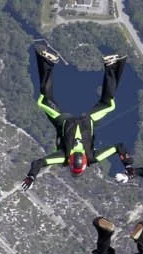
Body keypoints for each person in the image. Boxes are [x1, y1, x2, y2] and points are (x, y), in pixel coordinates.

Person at [23, 43, 128, 185]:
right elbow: (39, 162)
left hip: (86, 120)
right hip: (64, 121)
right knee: (45, 101)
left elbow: (118, 147)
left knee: (107, 104)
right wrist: (31, 176)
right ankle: (47, 62)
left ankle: (112, 65)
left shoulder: (91, 158)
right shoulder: (64, 157)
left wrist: (128, 164)